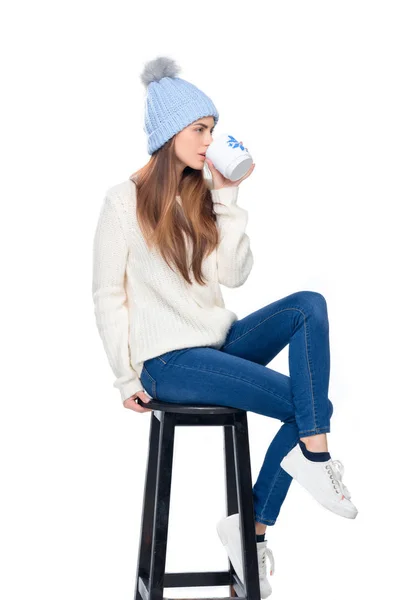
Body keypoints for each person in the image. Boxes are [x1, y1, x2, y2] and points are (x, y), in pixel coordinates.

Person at [92, 55, 358, 598]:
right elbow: (106, 296)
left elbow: (234, 276)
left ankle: (262, 513)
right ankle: (287, 489)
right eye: (200, 129)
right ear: (170, 134)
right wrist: (126, 379)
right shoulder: (122, 202)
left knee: (309, 304)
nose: (210, 140)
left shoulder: (200, 196)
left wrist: (227, 196)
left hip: (217, 346)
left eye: (213, 129)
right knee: (313, 407)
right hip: (168, 364)